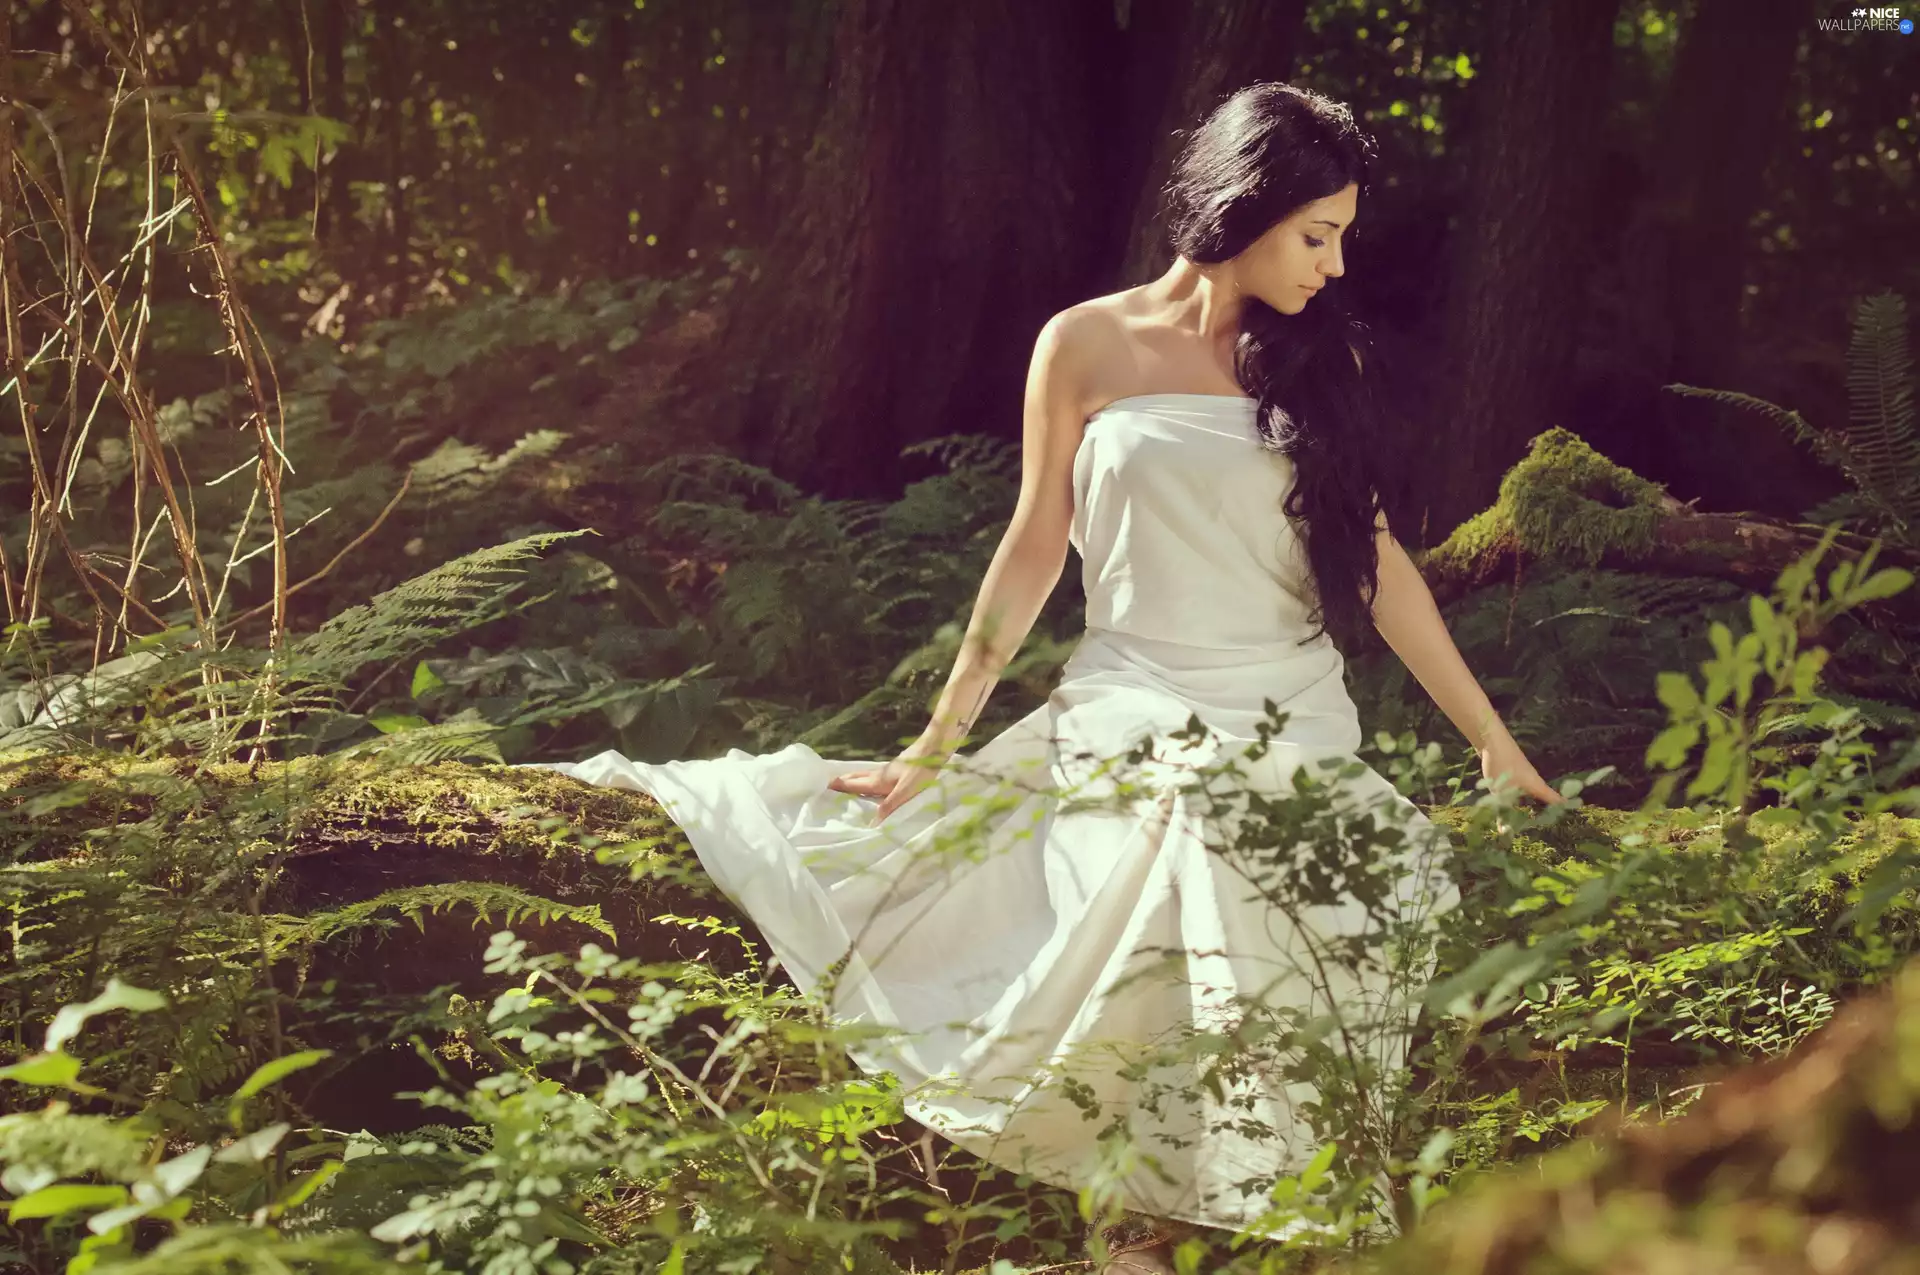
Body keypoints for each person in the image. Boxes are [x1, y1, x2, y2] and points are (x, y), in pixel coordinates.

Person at [519, 81, 1559, 1273]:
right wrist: (941, 735)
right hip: (1128, 692)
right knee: (1166, 828)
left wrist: (1492, 741)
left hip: (1282, 704)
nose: (1334, 264)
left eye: (1344, 238)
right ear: (1245, 205)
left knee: (1235, 842)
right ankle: (1140, 1223)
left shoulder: (1324, 369)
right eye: (1316, 233)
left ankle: (1166, 1226)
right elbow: (1031, 542)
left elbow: (1381, 568)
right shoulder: (1085, 341)